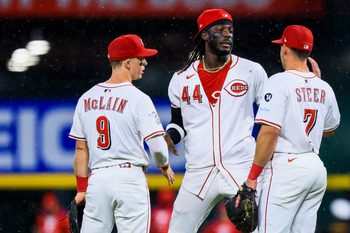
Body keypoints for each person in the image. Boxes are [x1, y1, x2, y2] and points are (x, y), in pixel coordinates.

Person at [164, 8, 268, 233]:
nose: (227, 34)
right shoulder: (181, 78)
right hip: (199, 171)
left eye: (230, 30)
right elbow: (178, 124)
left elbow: (273, 113)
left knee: (262, 228)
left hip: (240, 166)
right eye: (220, 30)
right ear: (204, 35)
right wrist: (170, 135)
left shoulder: (251, 70)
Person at [68, 34, 175, 233]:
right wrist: (164, 165)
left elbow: (81, 150)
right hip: (129, 179)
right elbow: (158, 146)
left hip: (97, 180)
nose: (144, 62)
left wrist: (82, 189)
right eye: (140, 58)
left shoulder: (86, 98)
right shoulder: (139, 98)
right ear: (127, 63)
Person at [240, 25, 341, 232]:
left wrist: (252, 177)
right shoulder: (324, 87)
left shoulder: (278, 81)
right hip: (315, 169)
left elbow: (269, 132)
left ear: (285, 49)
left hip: (286, 167)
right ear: (308, 52)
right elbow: (329, 129)